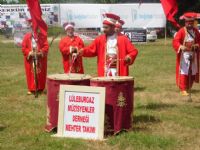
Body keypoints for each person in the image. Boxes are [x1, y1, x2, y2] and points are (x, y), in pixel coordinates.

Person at [173, 12, 200, 96]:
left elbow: (199, 41)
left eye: (191, 23)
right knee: (184, 71)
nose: (189, 24)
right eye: (188, 23)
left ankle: (189, 86)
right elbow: (175, 41)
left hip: (193, 54)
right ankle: (183, 88)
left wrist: (197, 45)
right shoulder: (181, 31)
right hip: (184, 55)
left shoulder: (196, 31)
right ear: (185, 23)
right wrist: (181, 46)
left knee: (192, 71)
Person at [22, 19, 49, 95]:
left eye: (35, 27)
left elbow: (46, 46)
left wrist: (40, 53)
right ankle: (31, 88)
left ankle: (41, 87)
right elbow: (24, 48)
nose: (34, 28)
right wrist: (29, 53)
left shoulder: (42, 36)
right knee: (30, 73)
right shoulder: (26, 36)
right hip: (30, 58)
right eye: (32, 27)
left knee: (41, 72)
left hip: (40, 58)